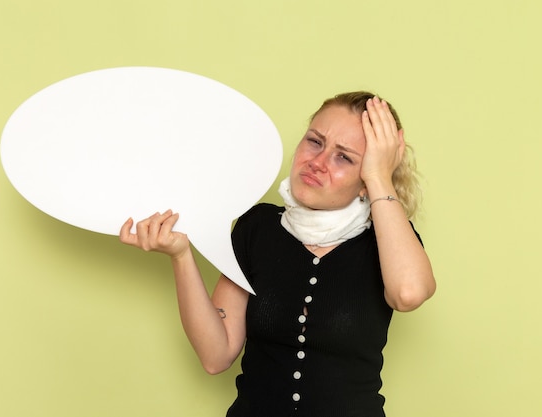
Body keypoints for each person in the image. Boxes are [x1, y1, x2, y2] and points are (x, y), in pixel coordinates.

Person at [119, 92, 436, 417]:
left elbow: (408, 294)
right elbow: (216, 356)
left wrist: (381, 177)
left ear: (366, 179)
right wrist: (181, 255)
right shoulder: (257, 227)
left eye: (345, 157)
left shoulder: (388, 242)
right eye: (315, 141)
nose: (318, 162)